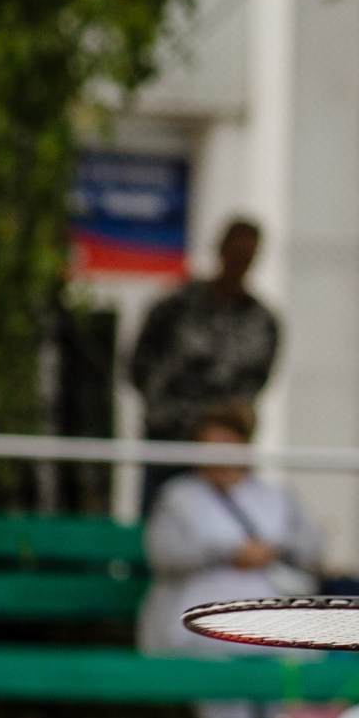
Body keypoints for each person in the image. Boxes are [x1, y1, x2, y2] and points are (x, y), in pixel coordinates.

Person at [138, 401, 325, 718]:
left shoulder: (277, 497)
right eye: (208, 447)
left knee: (293, 707)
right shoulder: (178, 499)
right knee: (228, 705)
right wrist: (224, 553)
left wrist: (273, 550)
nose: (217, 457)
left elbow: (312, 551)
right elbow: (161, 555)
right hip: (202, 633)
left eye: (226, 446)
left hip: (275, 630)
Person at [128, 216, 279, 507]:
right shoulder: (174, 307)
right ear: (220, 250)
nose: (239, 263)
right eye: (235, 253)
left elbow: (255, 384)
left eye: (247, 256)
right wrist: (183, 421)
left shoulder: (262, 321)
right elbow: (139, 369)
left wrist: (223, 430)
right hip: (170, 444)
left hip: (226, 455)